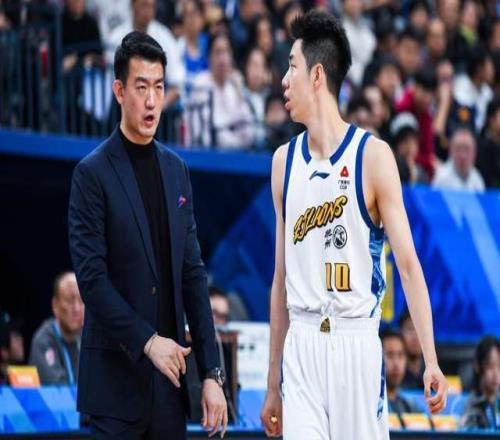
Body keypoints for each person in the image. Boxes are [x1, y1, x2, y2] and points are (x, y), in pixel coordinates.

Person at [260, 10, 447, 440]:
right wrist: (272, 384)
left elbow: (408, 266)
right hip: (302, 343)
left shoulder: (373, 157)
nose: (284, 81)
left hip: (355, 341)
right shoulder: (283, 163)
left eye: (292, 66)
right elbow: (280, 279)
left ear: (317, 75)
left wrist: (431, 360)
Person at [68, 31, 227, 439]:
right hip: (114, 391)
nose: (152, 100)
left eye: (158, 87)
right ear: (119, 91)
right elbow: (92, 282)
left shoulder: (177, 171)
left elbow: (192, 275)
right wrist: (148, 341)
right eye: (141, 88)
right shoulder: (91, 174)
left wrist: (212, 373)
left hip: (169, 390)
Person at [29, 272, 84, 385]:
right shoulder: (43, 341)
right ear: (55, 305)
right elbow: (56, 388)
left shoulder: (86, 338)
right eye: (70, 300)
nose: (76, 309)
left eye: (81, 300)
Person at [381, 328, 422, 427]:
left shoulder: (410, 406)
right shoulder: (370, 407)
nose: (396, 364)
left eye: (400, 355)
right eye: (390, 355)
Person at [461, 336, 500, 430]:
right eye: (490, 366)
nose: (496, 374)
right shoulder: (472, 409)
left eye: (499, 366)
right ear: (477, 366)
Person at [432, 127, 485, 192]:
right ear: (450, 151)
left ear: (474, 152)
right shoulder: (442, 177)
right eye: (458, 149)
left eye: (467, 149)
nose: (463, 155)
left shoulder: (477, 179)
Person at [399, 309, 425, 390]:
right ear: (400, 333)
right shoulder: (393, 373)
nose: (415, 336)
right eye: (410, 329)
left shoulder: (435, 370)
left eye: (420, 329)